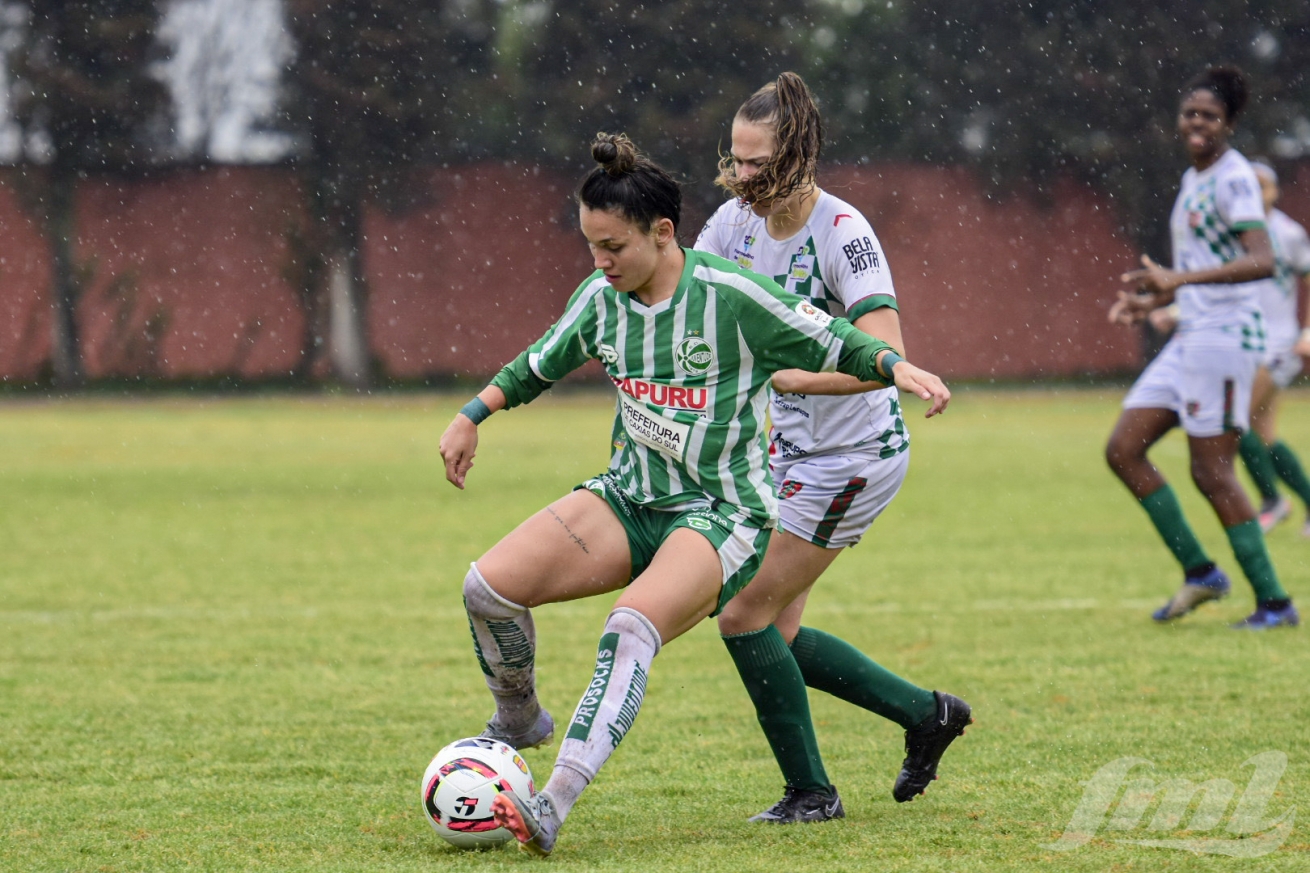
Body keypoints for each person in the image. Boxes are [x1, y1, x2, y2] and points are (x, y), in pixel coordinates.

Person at [438, 132, 951, 856]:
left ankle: (551, 803)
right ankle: (518, 719)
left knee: (630, 628)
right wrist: (473, 414)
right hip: (628, 496)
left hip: (722, 514)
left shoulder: (731, 297)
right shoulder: (600, 298)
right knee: (486, 588)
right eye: (591, 246)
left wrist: (897, 366)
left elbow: (834, 337)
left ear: (663, 232)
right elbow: (536, 364)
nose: (600, 262)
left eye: (612, 246)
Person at [693, 72, 970, 824]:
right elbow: (694, 308)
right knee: (772, 628)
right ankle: (927, 713)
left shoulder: (843, 233)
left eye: (758, 164)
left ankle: (812, 793)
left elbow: (885, 348)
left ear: (800, 154)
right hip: (784, 453)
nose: (742, 177)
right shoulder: (730, 227)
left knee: (742, 616)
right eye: (737, 160)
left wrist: (784, 377)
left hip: (854, 460)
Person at [1105, 66, 1298, 629]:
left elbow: (1262, 260)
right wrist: (1157, 304)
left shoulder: (1234, 178)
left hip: (1226, 342)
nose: (1197, 123)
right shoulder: (1196, 178)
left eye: (1210, 116)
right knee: (1124, 447)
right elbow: (1196, 268)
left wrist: (1177, 283)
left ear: (1229, 123)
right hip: (1193, 336)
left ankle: (1275, 603)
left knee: (1212, 473)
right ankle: (1200, 572)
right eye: (1190, 113)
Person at [1233, 163, 1310, 533]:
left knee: (1236, 419)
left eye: (1262, 186)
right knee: (1262, 431)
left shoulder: (1288, 233)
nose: (1257, 193)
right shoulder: (1235, 232)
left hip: (1279, 341)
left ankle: (1272, 500)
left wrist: (1308, 332)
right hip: (1245, 339)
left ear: (1275, 191)